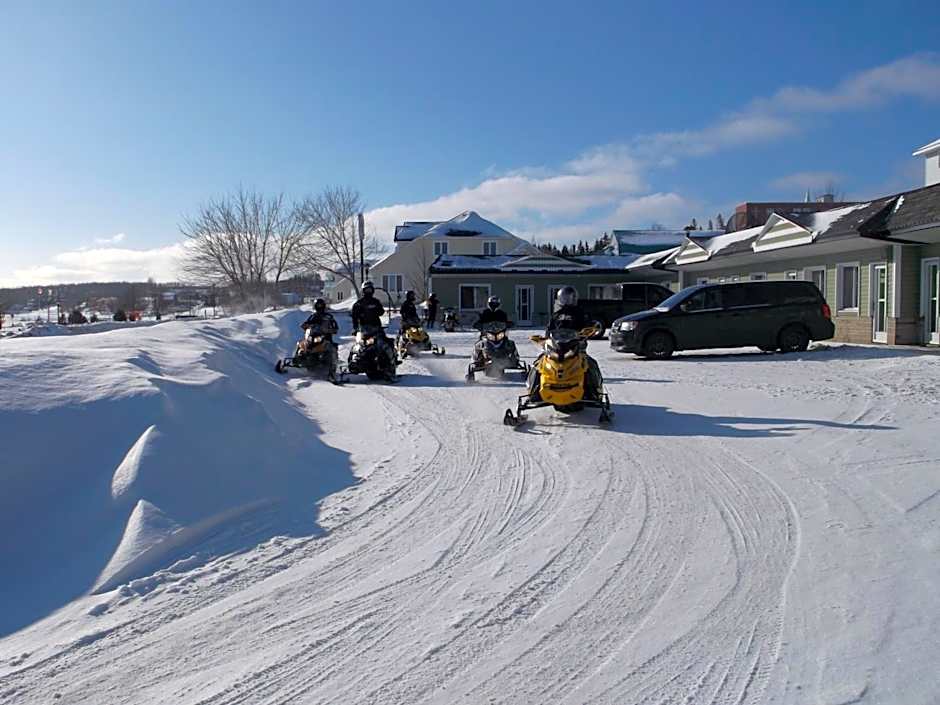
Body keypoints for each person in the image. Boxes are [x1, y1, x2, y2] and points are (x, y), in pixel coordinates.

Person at [528, 286, 603, 400]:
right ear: (560, 298)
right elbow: (549, 331)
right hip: (556, 347)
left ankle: (595, 392)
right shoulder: (556, 315)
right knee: (539, 364)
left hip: (575, 346)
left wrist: (586, 332)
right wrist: (544, 340)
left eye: (570, 297)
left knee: (590, 364)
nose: (568, 300)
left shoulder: (579, 313)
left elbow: (587, 326)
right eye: (565, 297)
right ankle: (532, 392)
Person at [351, 280, 395, 366]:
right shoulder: (358, 304)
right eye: (366, 290)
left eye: (370, 290)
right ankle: (354, 361)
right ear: (363, 290)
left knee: (386, 343)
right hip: (364, 329)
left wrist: (375, 311)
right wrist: (355, 328)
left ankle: (391, 361)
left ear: (372, 290)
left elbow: (381, 312)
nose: (368, 292)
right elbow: (354, 317)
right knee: (359, 346)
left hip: (376, 328)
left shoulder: (376, 302)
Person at [471, 296, 517, 367]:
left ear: (498, 304)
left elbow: (506, 322)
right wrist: (477, 325)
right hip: (486, 334)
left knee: (511, 344)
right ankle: (476, 361)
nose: (494, 306)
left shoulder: (502, 314)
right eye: (492, 304)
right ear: (489, 304)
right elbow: (478, 321)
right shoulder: (484, 313)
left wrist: (509, 324)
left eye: (495, 304)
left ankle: (515, 359)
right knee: (478, 345)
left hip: (500, 334)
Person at [301, 298, 340, 375]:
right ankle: (298, 358)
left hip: (325, 337)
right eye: (318, 305)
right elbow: (306, 323)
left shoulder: (328, 317)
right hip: (313, 335)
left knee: (331, 348)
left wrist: (331, 330)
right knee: (302, 344)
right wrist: (305, 326)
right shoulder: (313, 316)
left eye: (320, 305)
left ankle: (332, 367)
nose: (319, 307)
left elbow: (334, 326)